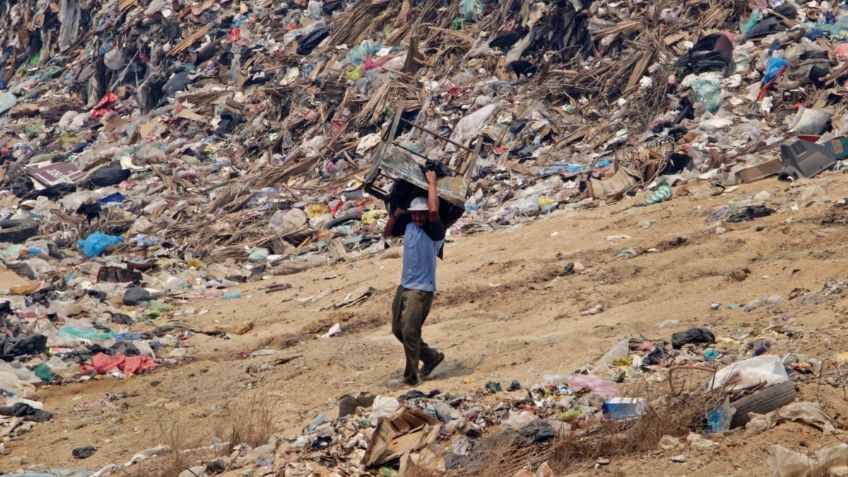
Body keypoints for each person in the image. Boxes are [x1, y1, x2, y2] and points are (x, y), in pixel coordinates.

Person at [383, 170, 446, 386]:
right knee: (398, 330)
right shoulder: (409, 226)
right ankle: (431, 357)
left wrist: (431, 183)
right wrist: (397, 214)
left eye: (422, 213)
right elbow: (388, 233)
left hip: (421, 289)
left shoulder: (435, 231)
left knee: (410, 330)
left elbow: (435, 211)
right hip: (405, 286)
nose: (419, 217)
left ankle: (411, 377)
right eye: (415, 214)